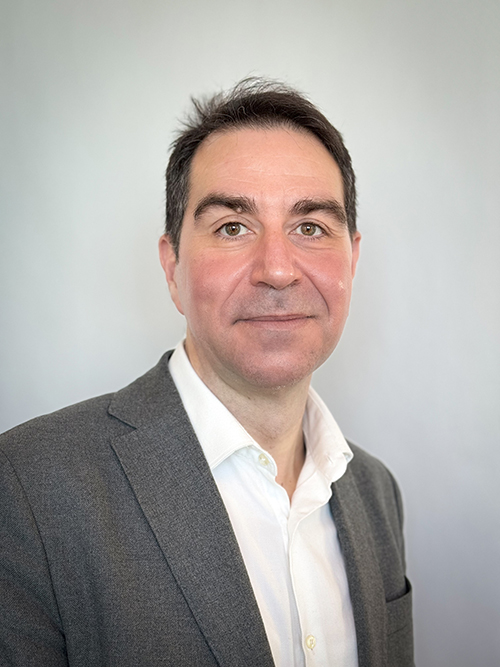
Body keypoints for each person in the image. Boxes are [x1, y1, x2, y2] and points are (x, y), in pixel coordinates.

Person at [0, 79, 413, 667]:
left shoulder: (377, 493)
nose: (277, 270)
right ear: (172, 269)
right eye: (232, 227)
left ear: (352, 258)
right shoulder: (27, 487)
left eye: (311, 227)